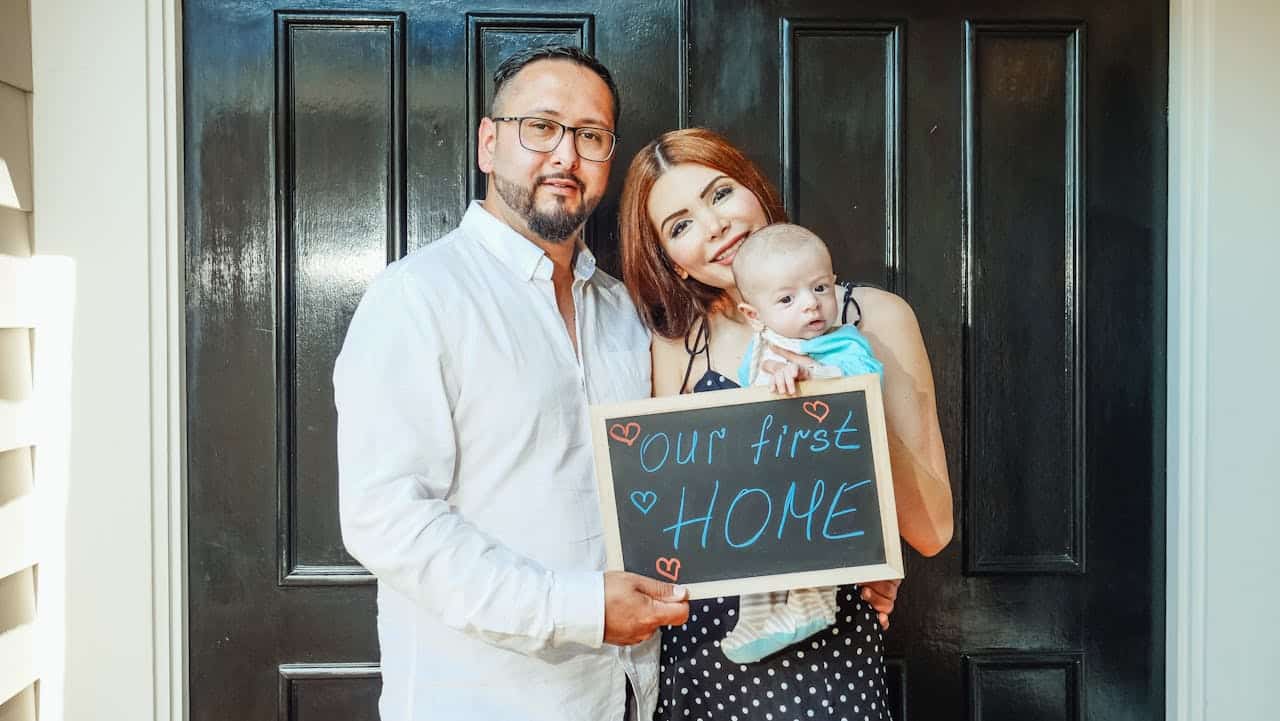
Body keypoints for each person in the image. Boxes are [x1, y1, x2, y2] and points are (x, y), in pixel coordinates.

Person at [334, 46, 688, 721]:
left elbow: (670, 479)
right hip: (483, 698)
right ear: (489, 144)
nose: (565, 155)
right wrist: (580, 608)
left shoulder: (624, 310)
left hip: (627, 695)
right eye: (541, 127)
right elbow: (387, 518)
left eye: (591, 136)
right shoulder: (418, 298)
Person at [618, 127, 953, 721]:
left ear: (755, 189)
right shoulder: (677, 348)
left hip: (829, 656)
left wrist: (846, 399)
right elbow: (664, 528)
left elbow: (931, 529)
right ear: (670, 258)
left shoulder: (869, 318)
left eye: (720, 194)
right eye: (680, 224)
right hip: (702, 654)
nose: (713, 225)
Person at [717, 222, 886, 665]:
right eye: (787, 299)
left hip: (827, 475)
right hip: (772, 475)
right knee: (754, 543)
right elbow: (747, 399)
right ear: (755, 316)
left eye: (820, 287)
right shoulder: (759, 350)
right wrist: (766, 378)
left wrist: (814, 376)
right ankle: (755, 616)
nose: (811, 304)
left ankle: (813, 600)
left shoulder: (844, 342)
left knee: (814, 526)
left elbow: (866, 381)